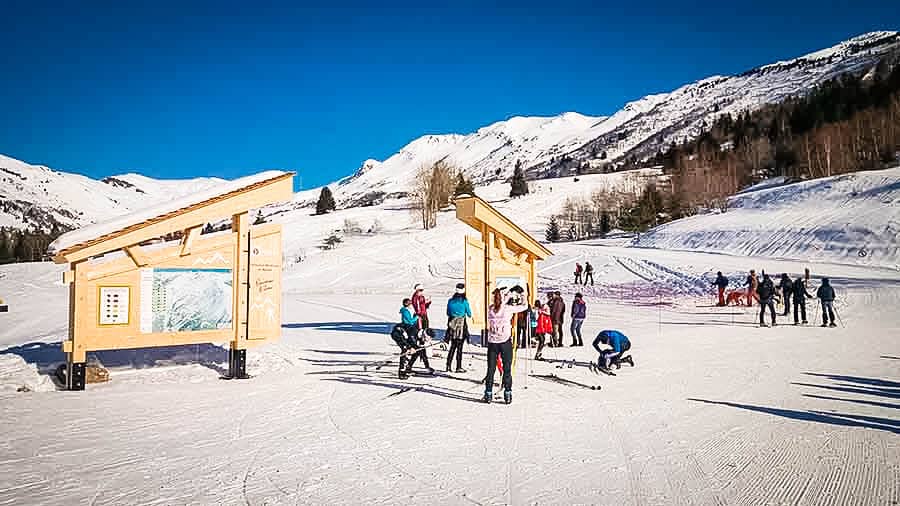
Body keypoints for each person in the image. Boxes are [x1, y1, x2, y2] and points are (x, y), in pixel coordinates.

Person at [483, 288, 529, 404]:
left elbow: (500, 302)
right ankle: (507, 393)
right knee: (507, 369)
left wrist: (507, 294)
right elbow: (524, 306)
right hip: (505, 342)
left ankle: (488, 393)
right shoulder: (508, 309)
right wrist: (522, 294)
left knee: (491, 369)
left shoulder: (490, 309)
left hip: (493, 342)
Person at [398, 298, 433, 378]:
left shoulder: (410, 311)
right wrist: (416, 317)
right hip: (409, 332)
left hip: (415, 331)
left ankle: (412, 366)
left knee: (419, 350)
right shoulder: (406, 311)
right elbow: (410, 321)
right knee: (413, 350)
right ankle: (405, 368)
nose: (411, 305)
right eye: (410, 304)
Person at [445, 283, 471, 373]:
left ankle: (448, 365)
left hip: (452, 325)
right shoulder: (464, 301)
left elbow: (448, 313)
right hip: (461, 326)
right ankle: (458, 366)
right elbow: (469, 314)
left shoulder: (450, 301)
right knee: (459, 347)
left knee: (452, 346)